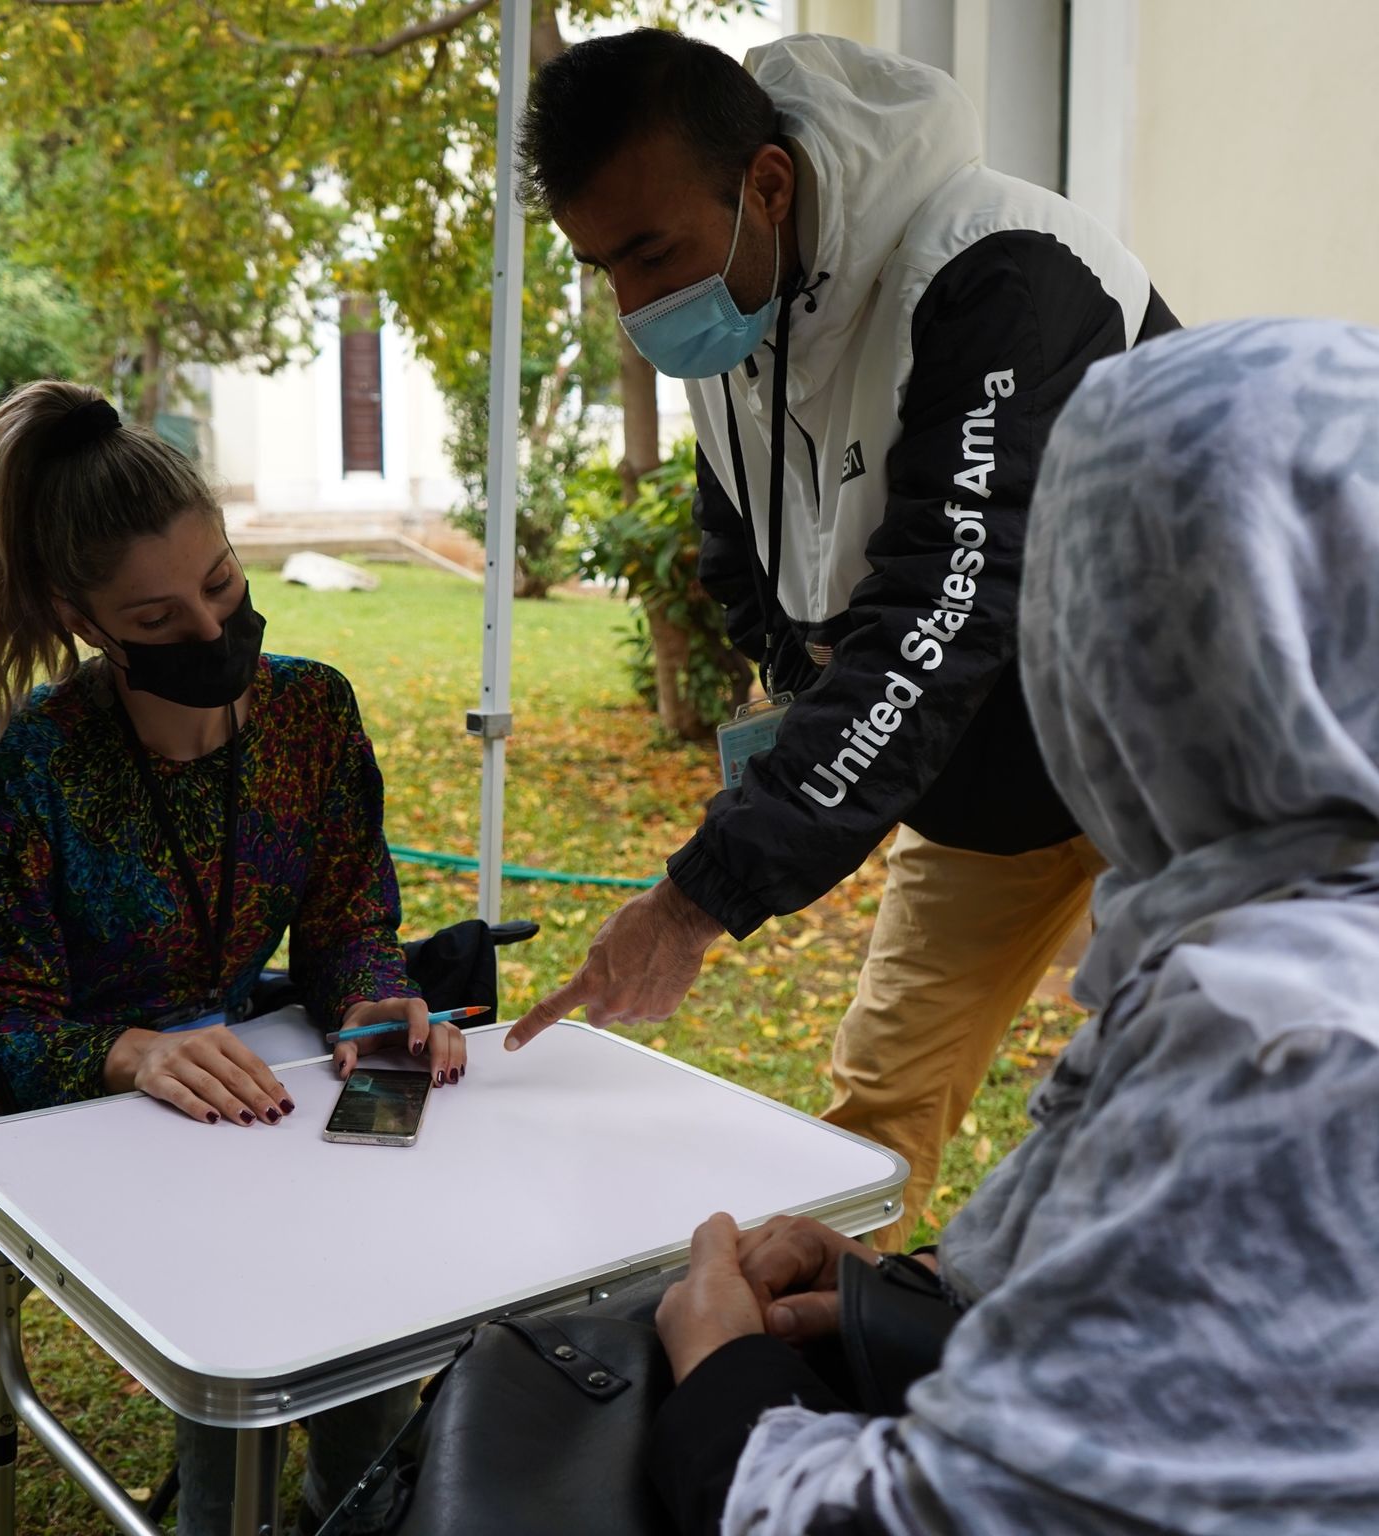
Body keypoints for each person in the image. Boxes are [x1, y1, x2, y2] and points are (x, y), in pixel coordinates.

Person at [641, 319, 1379, 1534]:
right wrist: (888, 1294)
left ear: (1103, 649)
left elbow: (913, 1521)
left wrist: (722, 1376)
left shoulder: (1282, 1047)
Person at [502, 28, 1180, 1242]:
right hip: (988, 795)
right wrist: (792, 703)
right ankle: (829, 1374)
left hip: (1183, 776)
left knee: (1205, 1127)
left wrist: (701, 895)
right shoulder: (734, 314)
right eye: (602, 266)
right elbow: (746, 557)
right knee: (872, 1118)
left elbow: (943, 610)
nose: (634, 306)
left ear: (767, 185)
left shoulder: (994, 274)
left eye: (649, 252)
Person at [0, 380, 458, 1534]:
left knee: (367, 1281)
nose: (214, 634)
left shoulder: (313, 715)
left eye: (221, 584)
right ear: (83, 619)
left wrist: (376, 1004)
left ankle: (356, 1507)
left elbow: (347, 923)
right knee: (250, 1321)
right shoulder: (18, 777)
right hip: (70, 1118)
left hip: (251, 1095)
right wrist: (128, 1055)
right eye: (160, 621)